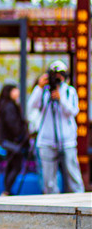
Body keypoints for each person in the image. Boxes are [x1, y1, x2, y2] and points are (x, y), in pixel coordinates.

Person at [26, 61, 83, 194]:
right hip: (46, 140)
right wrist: (39, 87)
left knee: (73, 173)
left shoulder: (69, 91)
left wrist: (61, 99)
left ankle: (79, 199)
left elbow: (73, 111)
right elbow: (30, 107)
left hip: (67, 141)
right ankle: (52, 201)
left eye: (60, 75)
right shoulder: (44, 91)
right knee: (49, 179)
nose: (57, 78)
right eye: (54, 75)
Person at [0, 84, 29, 196]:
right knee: (16, 166)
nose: (17, 92)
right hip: (13, 142)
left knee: (11, 165)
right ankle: (7, 189)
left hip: (9, 141)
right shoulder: (9, 106)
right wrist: (21, 135)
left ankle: (7, 189)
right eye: (15, 90)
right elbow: (13, 124)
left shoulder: (6, 105)